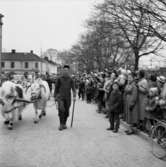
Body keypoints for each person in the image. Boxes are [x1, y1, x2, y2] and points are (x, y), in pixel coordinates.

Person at [54, 65, 76, 131]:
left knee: (66, 112)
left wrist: (74, 95)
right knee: (61, 110)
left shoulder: (71, 79)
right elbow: (56, 88)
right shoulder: (59, 79)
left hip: (68, 98)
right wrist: (55, 96)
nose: (65, 71)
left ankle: (64, 124)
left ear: (68, 71)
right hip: (60, 97)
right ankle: (61, 124)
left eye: (67, 70)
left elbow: (73, 88)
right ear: (63, 71)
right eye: (64, 70)